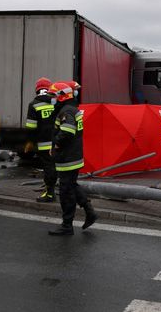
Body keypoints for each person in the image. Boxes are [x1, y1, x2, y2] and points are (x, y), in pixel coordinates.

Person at [47, 82, 97, 236]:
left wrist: (56, 145)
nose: (51, 99)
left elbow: (67, 131)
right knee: (71, 185)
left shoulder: (66, 111)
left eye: (53, 96)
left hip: (67, 157)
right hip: (73, 155)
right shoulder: (72, 109)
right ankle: (90, 212)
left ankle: (67, 226)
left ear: (62, 96)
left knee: (66, 191)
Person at [25, 77, 57, 202]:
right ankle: (51, 189)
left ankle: (49, 193)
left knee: (48, 167)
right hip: (57, 142)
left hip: (43, 144)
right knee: (54, 167)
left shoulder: (34, 104)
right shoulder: (56, 102)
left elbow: (31, 127)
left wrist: (30, 142)